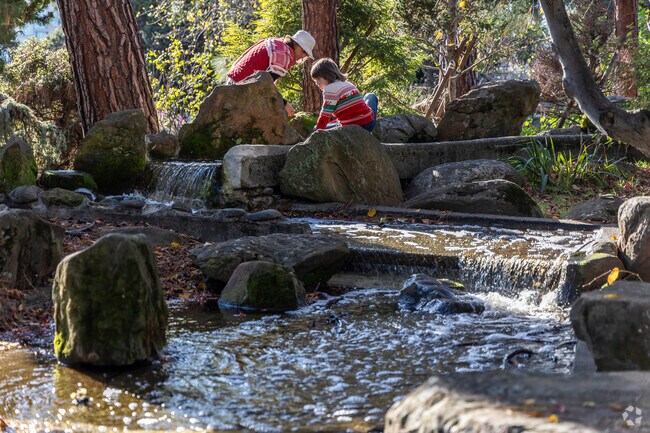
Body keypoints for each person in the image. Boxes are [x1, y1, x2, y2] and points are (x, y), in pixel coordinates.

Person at [227, 30, 316, 117]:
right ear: (296, 44)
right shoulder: (283, 56)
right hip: (239, 89)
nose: (303, 56)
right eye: (304, 51)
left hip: (233, 80)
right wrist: (284, 103)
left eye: (306, 55)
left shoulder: (278, 44)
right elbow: (266, 85)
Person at [310, 58, 378, 132]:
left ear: (327, 74)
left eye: (318, 79)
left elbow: (325, 115)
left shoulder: (329, 89)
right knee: (370, 96)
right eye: (315, 80)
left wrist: (317, 131)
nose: (317, 83)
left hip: (350, 128)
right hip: (369, 124)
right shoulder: (347, 84)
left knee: (315, 128)